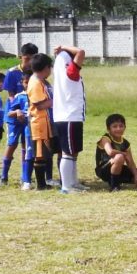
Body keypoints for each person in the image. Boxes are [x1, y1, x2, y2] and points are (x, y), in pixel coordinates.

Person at [51, 44, 88, 193]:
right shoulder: (70, 71)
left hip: (69, 116)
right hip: (69, 117)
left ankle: (73, 182)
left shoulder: (60, 71)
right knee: (67, 152)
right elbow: (81, 52)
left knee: (73, 151)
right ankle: (66, 186)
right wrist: (64, 47)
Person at [95, 114, 137, 191]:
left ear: (125, 127)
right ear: (108, 129)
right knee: (119, 157)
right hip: (103, 170)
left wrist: (136, 177)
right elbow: (110, 152)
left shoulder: (125, 143)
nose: (118, 129)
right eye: (114, 126)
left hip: (118, 167)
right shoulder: (105, 138)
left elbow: (130, 162)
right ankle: (114, 186)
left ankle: (117, 179)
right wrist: (124, 154)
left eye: (121, 126)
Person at [26, 53, 54, 191]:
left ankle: (42, 183)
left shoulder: (40, 81)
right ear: (45, 67)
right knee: (40, 153)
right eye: (50, 67)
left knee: (43, 152)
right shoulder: (35, 83)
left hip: (44, 121)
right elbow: (40, 104)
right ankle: (41, 184)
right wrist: (57, 101)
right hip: (39, 122)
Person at [5, 71, 34, 190]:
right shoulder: (19, 96)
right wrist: (17, 111)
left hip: (40, 126)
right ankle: (26, 180)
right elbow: (10, 112)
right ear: (22, 83)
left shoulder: (39, 93)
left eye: (30, 82)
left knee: (41, 153)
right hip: (28, 128)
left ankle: (45, 178)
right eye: (26, 82)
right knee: (28, 151)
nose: (28, 84)